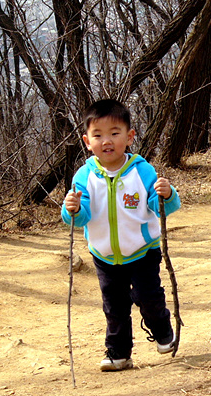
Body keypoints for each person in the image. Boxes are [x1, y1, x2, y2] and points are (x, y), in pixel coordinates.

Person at [61, 99, 181, 372]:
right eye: (98, 135)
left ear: (129, 137)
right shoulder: (84, 176)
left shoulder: (142, 170)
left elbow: (160, 207)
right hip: (104, 254)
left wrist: (166, 195)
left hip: (142, 250)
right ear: (87, 141)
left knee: (148, 297)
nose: (107, 141)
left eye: (115, 133)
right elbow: (80, 217)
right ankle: (118, 352)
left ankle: (161, 328)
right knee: (113, 306)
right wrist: (72, 209)